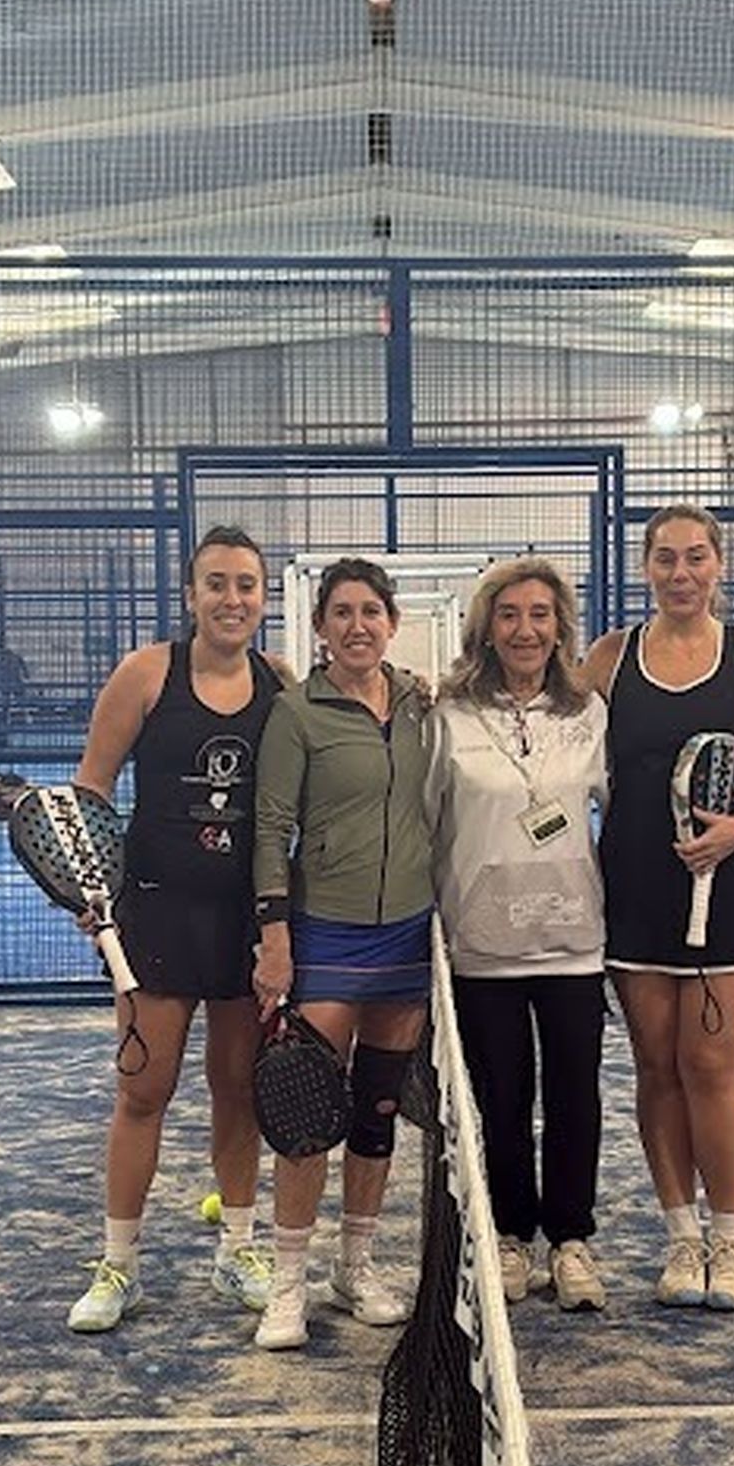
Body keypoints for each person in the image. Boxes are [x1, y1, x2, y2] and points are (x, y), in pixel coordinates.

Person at [64, 524, 286, 1334]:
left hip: (244, 923)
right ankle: (119, 1264)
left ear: (265, 598)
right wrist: (90, 893)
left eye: (247, 586)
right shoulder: (146, 674)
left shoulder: (281, 683)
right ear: (192, 595)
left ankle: (237, 1250)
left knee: (238, 1090)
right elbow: (91, 790)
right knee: (143, 1090)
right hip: (154, 912)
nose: (232, 599)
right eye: (217, 584)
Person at [582, 505, 734, 1312]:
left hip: (731, 890)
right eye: (666, 559)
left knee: (711, 1065)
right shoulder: (608, 657)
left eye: (696, 557)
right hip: (633, 887)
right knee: (656, 1067)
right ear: (646, 567)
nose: (681, 573)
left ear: (720, 565)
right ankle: (680, 1237)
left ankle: (732, 1244)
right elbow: (545, 732)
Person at [251, 557, 432, 1352]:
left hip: (410, 934)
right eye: (342, 613)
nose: (358, 625)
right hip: (325, 930)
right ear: (320, 627)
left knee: (379, 1105)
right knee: (305, 1112)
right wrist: (276, 939)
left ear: (391, 621)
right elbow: (268, 829)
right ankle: (288, 1284)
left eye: (371, 611)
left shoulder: (423, 705)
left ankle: (354, 1266)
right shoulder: (297, 714)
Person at [426, 557, 610, 1311]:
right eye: (509, 614)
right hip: (482, 944)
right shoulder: (447, 715)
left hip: (575, 939)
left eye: (540, 614)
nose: (525, 628)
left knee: (575, 1096)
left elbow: (622, 814)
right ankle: (508, 1235)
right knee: (502, 1099)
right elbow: (428, 821)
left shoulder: (590, 712)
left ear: (560, 626)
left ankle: (571, 1240)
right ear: (486, 626)